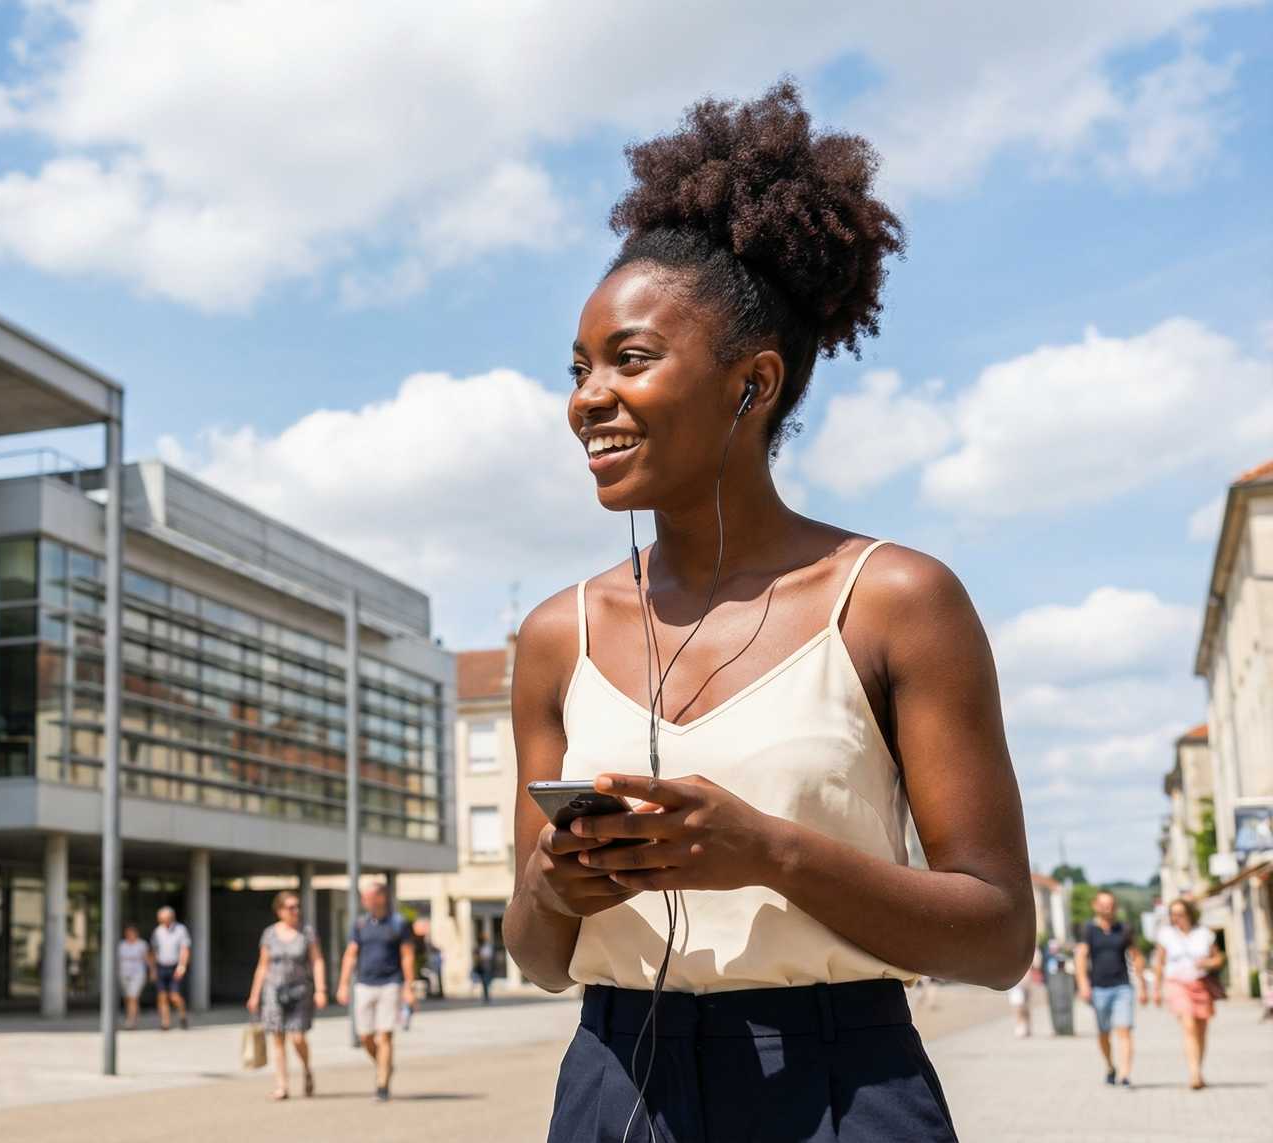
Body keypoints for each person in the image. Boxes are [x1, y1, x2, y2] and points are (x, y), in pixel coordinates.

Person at [501, 82, 1035, 1142]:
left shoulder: (894, 600)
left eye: (629, 359)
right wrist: (560, 885)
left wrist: (769, 853)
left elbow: (997, 935)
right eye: (576, 368)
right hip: (614, 1083)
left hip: (838, 1085)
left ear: (751, 385)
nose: (585, 398)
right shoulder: (554, 634)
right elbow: (534, 956)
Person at [337, 881, 416, 1102]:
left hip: (391, 983)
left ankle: (382, 1085)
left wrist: (409, 987)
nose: (365, 901)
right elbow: (351, 954)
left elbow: (407, 956)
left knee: (386, 1034)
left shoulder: (398, 923)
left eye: (369, 896)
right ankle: (385, 1064)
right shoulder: (361, 924)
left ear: (381, 897)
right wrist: (343, 984)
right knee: (365, 1036)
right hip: (364, 983)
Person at [246, 891, 326, 1100]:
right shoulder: (270, 934)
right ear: (279, 910)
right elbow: (263, 966)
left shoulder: (306, 933)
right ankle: (282, 1086)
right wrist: (254, 995)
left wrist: (321, 989)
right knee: (278, 1039)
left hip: (301, 990)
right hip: (273, 990)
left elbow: (317, 960)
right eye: (290, 907)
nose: (295, 911)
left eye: (297, 906)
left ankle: (307, 1069)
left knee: (298, 1037)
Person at [1149, 897, 1224, 1090]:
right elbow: (1159, 962)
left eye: (1180, 914)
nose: (1177, 918)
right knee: (1189, 1024)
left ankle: (1198, 1068)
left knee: (1201, 1029)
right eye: (1173, 914)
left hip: (1200, 983)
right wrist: (1156, 989)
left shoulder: (1204, 934)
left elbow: (1218, 959)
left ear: (1189, 914)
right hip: (1176, 983)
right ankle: (1194, 1074)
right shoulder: (1166, 934)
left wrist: (1207, 963)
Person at [1075, 890, 1146, 1086]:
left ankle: (1124, 1074)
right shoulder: (1088, 929)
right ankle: (1109, 1066)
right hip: (1099, 988)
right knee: (1103, 1033)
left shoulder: (1124, 928)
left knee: (1124, 1030)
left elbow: (1137, 955)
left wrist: (1143, 984)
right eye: (1104, 904)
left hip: (1123, 986)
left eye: (1111, 904)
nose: (1108, 908)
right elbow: (1081, 956)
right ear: (1095, 906)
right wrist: (1083, 984)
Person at [150, 906, 192, 1030]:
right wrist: (153, 969)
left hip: (175, 966)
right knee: (162, 996)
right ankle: (165, 1022)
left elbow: (185, 949)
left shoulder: (180, 930)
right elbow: (153, 950)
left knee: (174, 996)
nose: (162, 921)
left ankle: (183, 1015)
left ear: (171, 918)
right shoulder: (157, 931)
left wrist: (182, 965)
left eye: (164, 919)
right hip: (161, 966)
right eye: (160, 919)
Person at [115, 922, 151, 1031]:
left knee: (133, 997)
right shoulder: (121, 945)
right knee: (128, 998)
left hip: (138, 974)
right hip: (124, 974)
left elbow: (147, 958)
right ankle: (133, 1017)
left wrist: (153, 971)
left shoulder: (142, 944)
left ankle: (130, 1022)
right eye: (128, 933)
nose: (130, 935)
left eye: (132, 933)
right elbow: (117, 960)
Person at [474, 933, 498, 1004]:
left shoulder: (486, 947)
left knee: (486, 982)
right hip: (482, 967)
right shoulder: (479, 947)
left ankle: (486, 996)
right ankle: (486, 996)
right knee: (484, 982)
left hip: (486, 967)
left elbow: (487, 957)